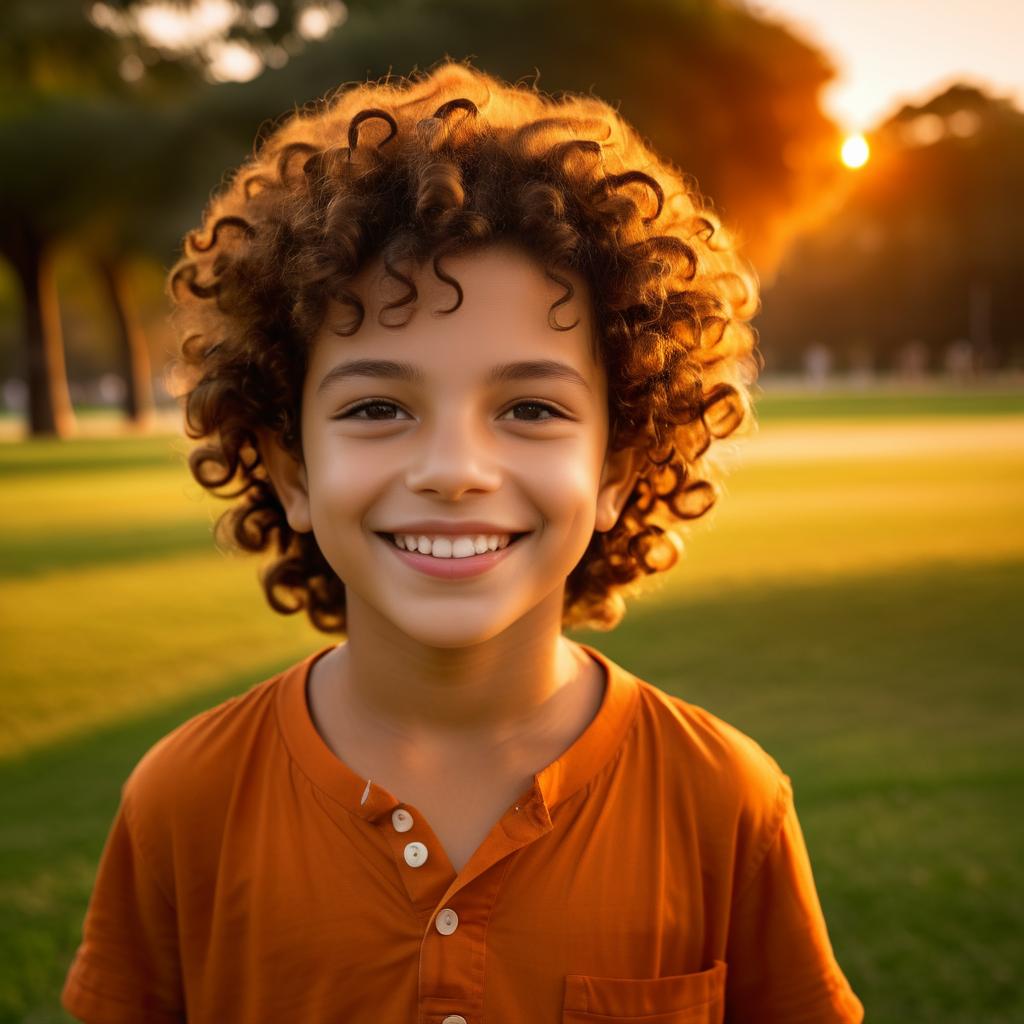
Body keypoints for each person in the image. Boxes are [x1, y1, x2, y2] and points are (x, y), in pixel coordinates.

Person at [61, 60, 864, 1024]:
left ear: (616, 467)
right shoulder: (185, 802)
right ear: (290, 467)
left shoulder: (725, 801)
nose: (454, 469)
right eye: (377, 406)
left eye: (529, 407)